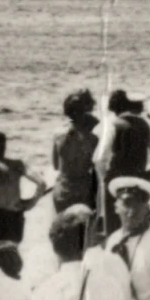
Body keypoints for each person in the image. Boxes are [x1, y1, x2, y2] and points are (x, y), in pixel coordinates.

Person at [0, 130, 47, 245]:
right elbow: (42, 183)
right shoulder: (18, 165)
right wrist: (31, 203)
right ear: (5, 145)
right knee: (12, 254)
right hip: (14, 216)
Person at [51, 90, 103, 220]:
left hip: (63, 189)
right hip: (84, 190)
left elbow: (56, 165)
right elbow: (98, 167)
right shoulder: (93, 139)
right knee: (84, 232)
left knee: (63, 230)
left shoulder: (58, 135)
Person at [99, 88, 150, 199]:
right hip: (138, 179)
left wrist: (105, 178)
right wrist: (148, 174)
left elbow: (100, 158)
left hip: (116, 180)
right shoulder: (146, 125)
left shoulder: (113, 125)